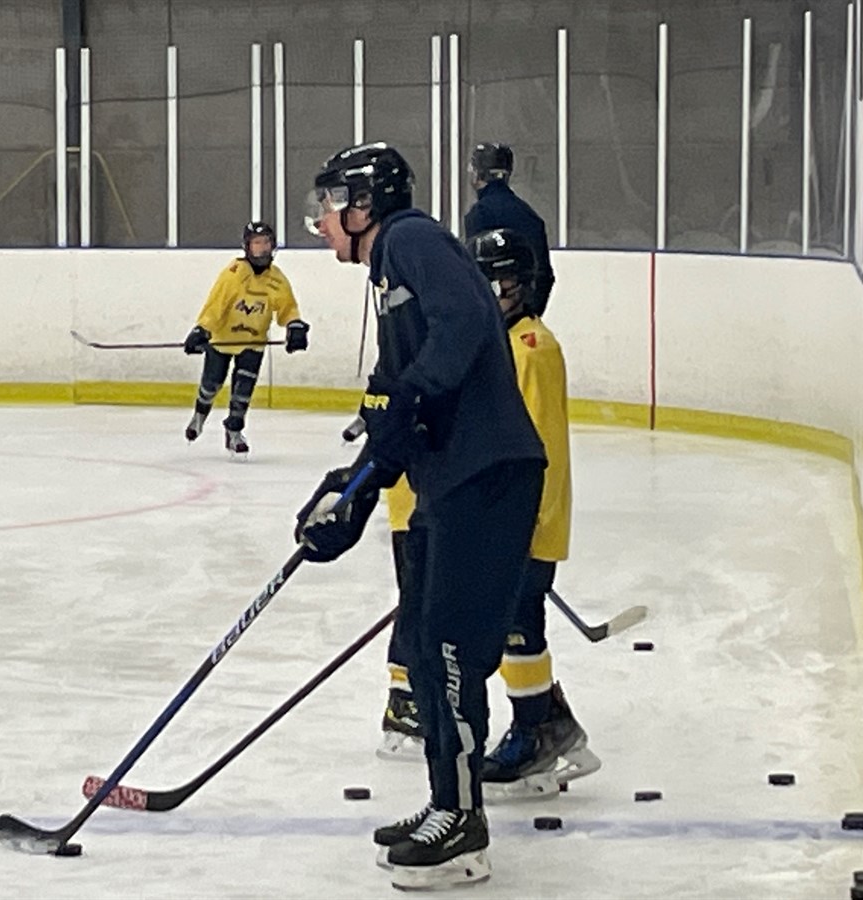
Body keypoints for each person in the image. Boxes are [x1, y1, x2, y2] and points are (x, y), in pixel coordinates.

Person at [295, 142, 545, 891]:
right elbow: (394, 397)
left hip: (486, 476)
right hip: (452, 481)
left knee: (451, 652)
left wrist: (408, 397)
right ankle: (445, 801)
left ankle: (463, 825)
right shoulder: (387, 275)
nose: (322, 221)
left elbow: (465, 322)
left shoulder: (411, 239)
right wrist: (354, 489)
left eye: (331, 204)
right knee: (428, 650)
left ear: (364, 205)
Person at [467, 227, 601, 798]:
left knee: (519, 625)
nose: (494, 293)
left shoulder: (532, 348)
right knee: (512, 623)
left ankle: (534, 735)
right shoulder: (497, 343)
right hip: (505, 515)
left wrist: (521, 523)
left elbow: (540, 447)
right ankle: (551, 723)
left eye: (503, 282)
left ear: (524, 285)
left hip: (528, 518)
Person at [182, 221, 309, 454]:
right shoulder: (234, 274)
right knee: (211, 384)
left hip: (253, 342)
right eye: (257, 243)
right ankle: (199, 415)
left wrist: (294, 325)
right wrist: (202, 329)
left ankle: (234, 430)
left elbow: (287, 308)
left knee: (243, 390)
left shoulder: (277, 279)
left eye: (266, 242)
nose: (262, 248)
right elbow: (216, 306)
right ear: (247, 247)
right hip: (222, 340)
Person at [464, 143, 556, 316]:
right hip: (526, 315)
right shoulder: (530, 215)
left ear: (478, 174)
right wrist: (530, 313)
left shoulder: (479, 214)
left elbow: (477, 275)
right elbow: (544, 276)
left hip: (495, 316)